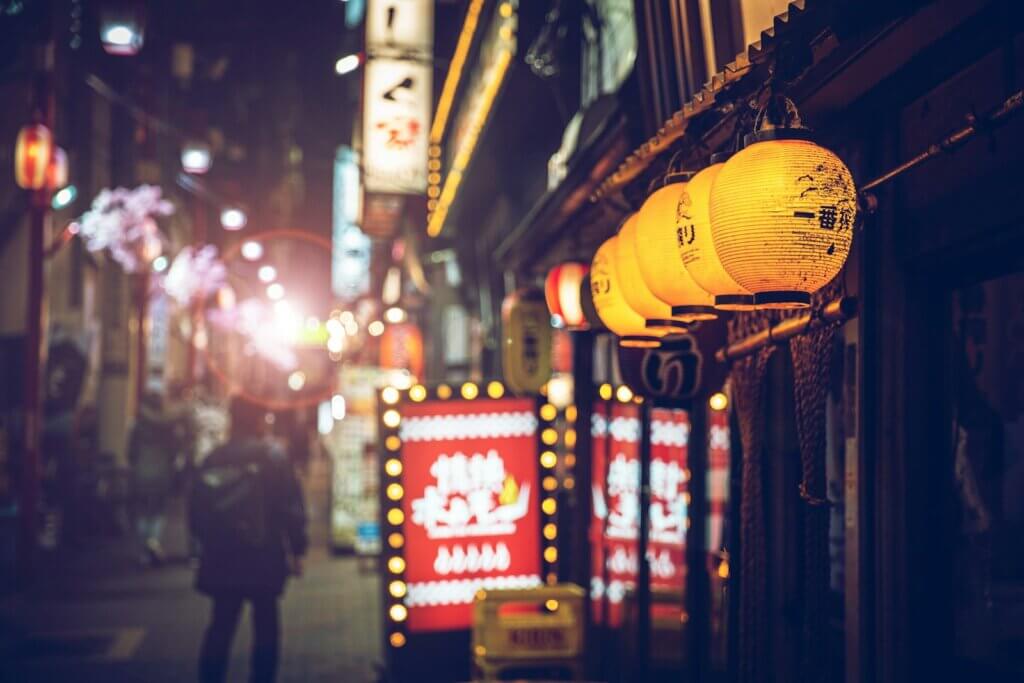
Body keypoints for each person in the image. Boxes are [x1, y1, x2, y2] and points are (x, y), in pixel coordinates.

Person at [190, 396, 308, 683]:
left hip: (222, 553)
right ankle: (262, 677)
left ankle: (210, 677)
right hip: (263, 552)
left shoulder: (214, 458)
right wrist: (297, 547)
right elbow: (290, 505)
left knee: (221, 623)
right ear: (257, 421)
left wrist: (200, 546)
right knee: (266, 622)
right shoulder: (272, 457)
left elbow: (195, 507)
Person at [127, 392, 179, 566]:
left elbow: (131, 452)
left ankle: (144, 551)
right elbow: (174, 452)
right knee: (158, 510)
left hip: (141, 471)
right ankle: (153, 545)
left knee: (142, 511)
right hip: (162, 472)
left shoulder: (138, 425)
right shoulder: (168, 426)